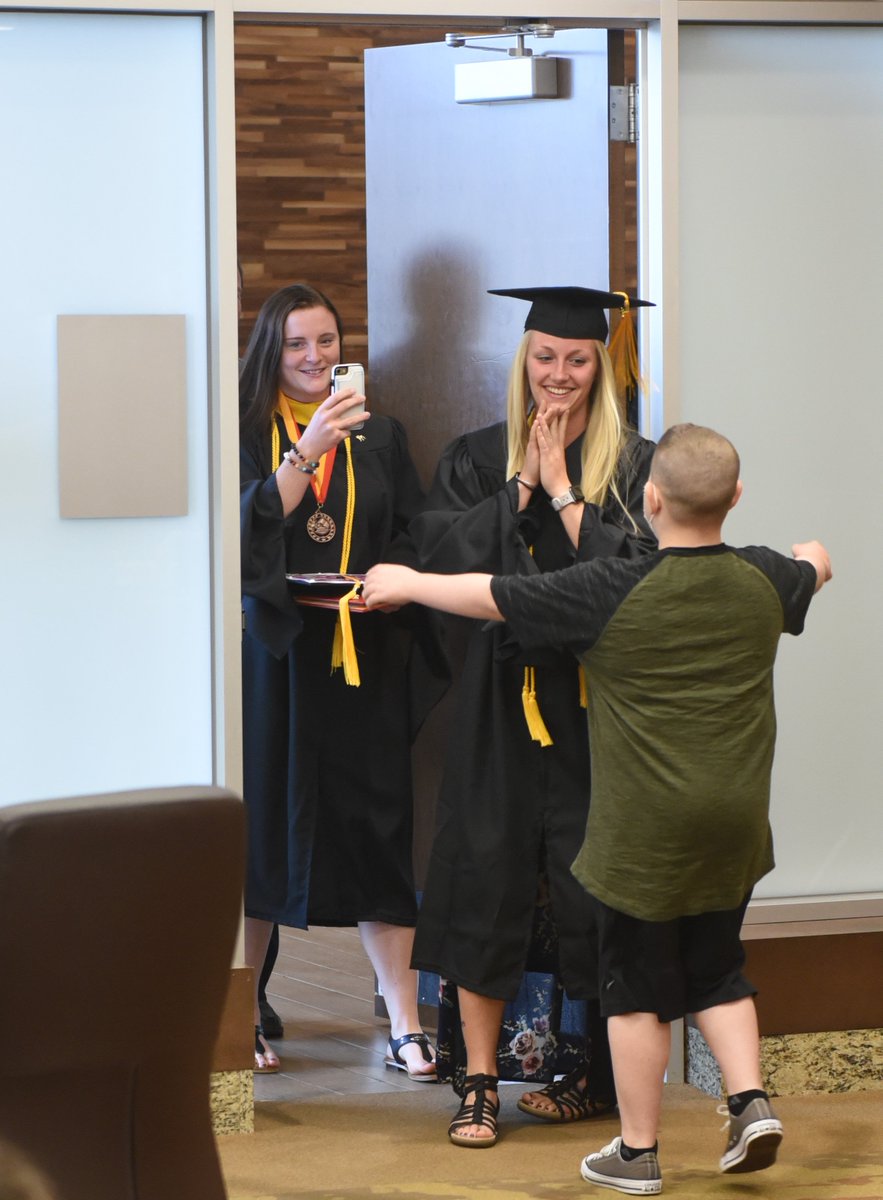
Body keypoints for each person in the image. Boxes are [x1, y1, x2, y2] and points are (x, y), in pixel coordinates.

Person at [362, 422, 832, 1191]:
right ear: (735, 498)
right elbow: (816, 562)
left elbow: (491, 594)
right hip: (736, 826)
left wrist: (406, 580)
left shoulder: (610, 591)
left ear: (648, 499)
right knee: (716, 966)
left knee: (634, 988)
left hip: (642, 833)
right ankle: (748, 1101)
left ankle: (638, 1153)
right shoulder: (764, 580)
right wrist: (808, 556)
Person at [398, 286, 657, 1146]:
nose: (558, 375)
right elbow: (436, 556)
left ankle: (586, 1071)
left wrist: (561, 488)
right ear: (523, 359)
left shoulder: (633, 465)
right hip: (498, 707)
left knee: (594, 884)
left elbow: (643, 582)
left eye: (576, 360)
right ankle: (476, 1080)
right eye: (544, 357)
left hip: (595, 707)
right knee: (483, 876)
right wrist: (520, 487)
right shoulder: (476, 456)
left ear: (601, 367)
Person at [239, 281, 439, 1079]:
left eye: (326, 341)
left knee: (377, 832)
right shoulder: (249, 429)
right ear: (269, 353)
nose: (314, 358)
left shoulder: (381, 436)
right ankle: (244, 1006)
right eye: (295, 345)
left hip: (361, 655)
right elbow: (244, 528)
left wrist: (392, 577)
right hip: (277, 663)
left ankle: (403, 1018)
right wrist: (305, 452)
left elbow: (411, 532)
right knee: (260, 839)